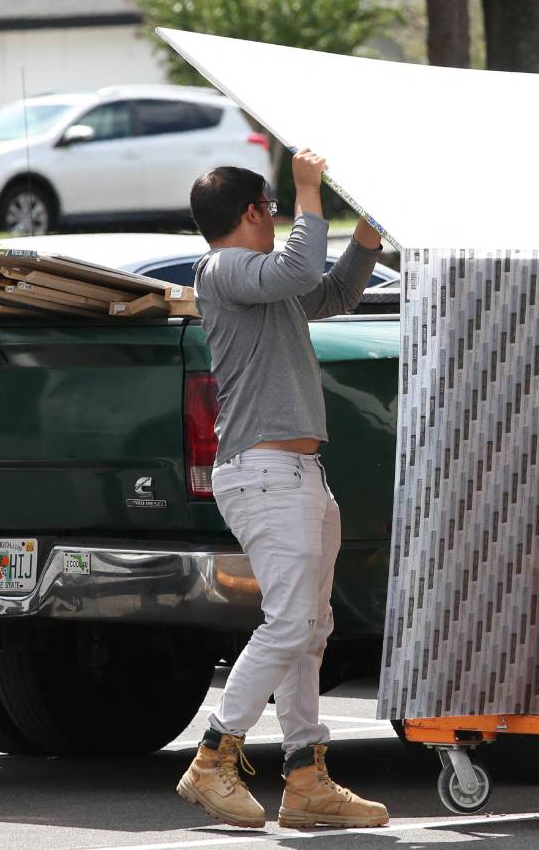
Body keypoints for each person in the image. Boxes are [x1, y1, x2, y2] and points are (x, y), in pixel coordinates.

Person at [174, 150, 390, 828]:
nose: (276, 220)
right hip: (266, 474)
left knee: (310, 630)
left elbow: (331, 293)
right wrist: (308, 189)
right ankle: (213, 757)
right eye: (270, 209)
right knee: (292, 624)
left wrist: (365, 237)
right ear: (251, 213)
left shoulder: (261, 279)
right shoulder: (226, 268)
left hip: (294, 475)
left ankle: (306, 778)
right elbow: (301, 268)